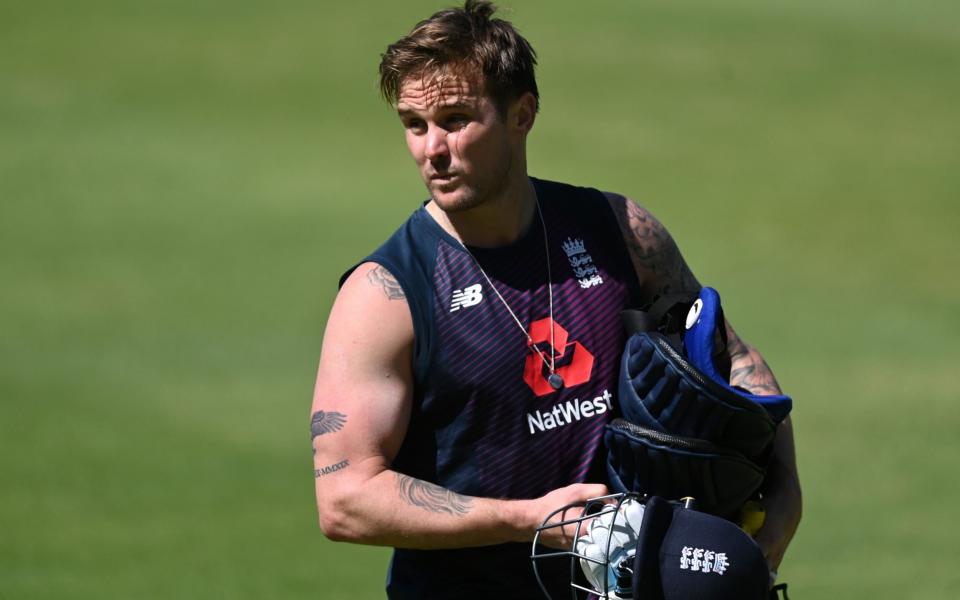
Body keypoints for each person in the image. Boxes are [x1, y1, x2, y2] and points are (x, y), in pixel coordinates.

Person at [310, 1, 801, 598]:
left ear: (522, 113)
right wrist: (530, 518)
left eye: (457, 119)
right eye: (415, 125)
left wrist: (783, 492)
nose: (432, 150)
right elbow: (345, 500)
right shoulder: (385, 294)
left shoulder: (617, 228)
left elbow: (726, 355)